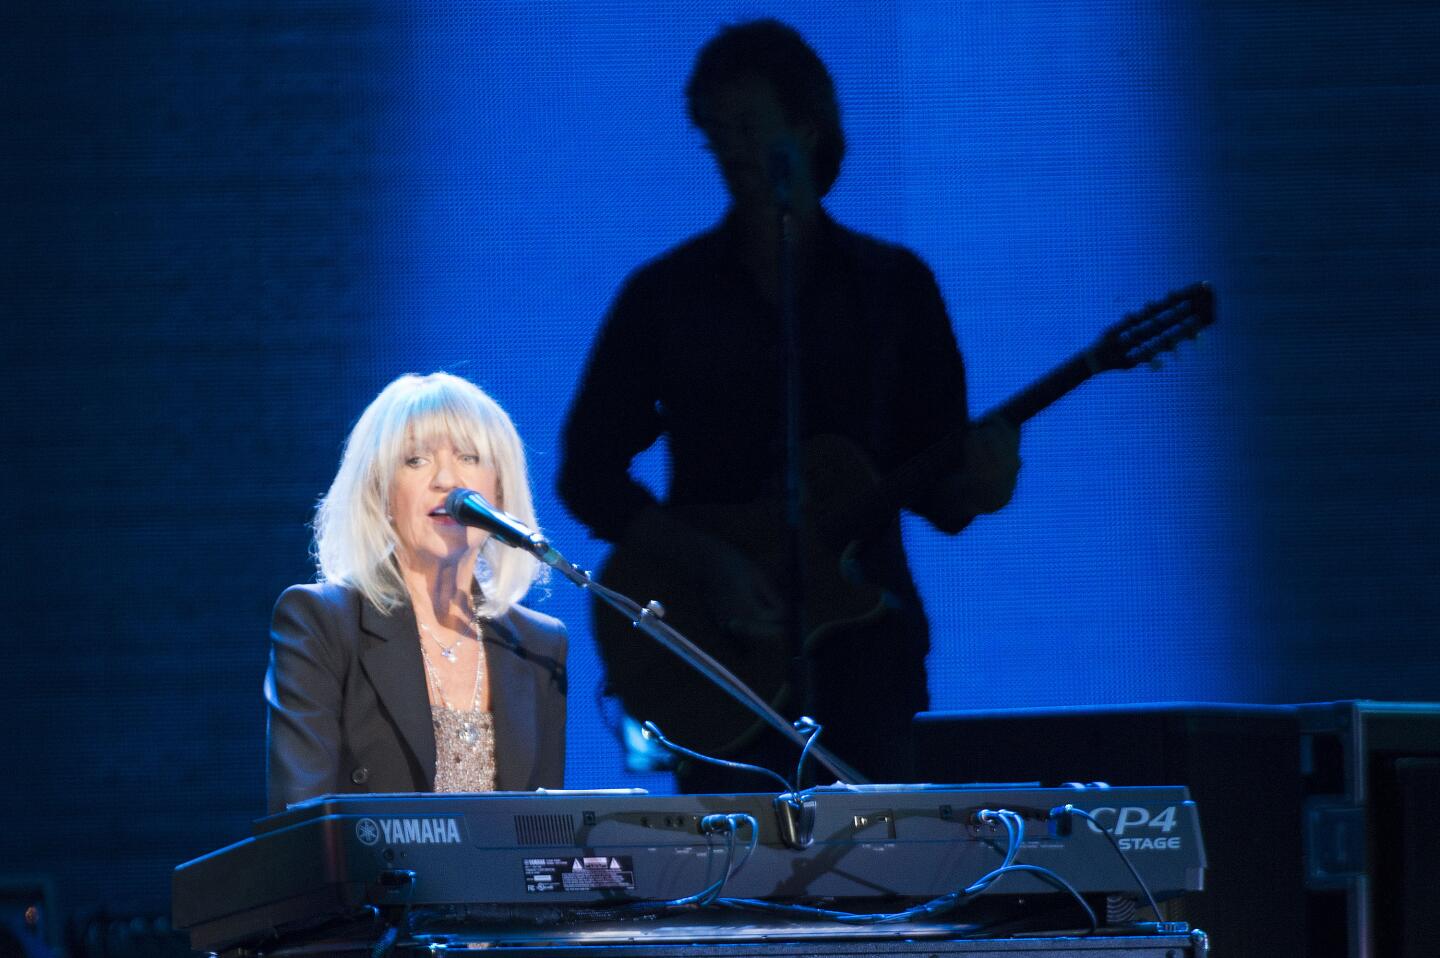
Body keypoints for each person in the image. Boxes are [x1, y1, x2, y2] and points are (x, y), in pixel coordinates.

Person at [559, 20, 1020, 791]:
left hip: (867, 655)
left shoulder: (895, 287)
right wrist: (709, 564)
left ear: (807, 127)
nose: (730, 152)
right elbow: (587, 473)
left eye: (747, 127)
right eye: (715, 135)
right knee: (734, 886)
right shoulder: (667, 295)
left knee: (888, 876)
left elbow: (939, 487)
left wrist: (984, 484)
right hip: (720, 660)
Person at [266, 372, 566, 813]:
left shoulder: (540, 643)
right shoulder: (321, 621)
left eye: (469, 457)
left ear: (499, 489)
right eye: (416, 461)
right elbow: (300, 828)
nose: (448, 479)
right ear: (381, 492)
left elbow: (547, 840)